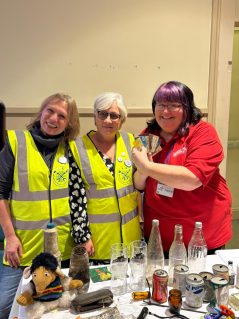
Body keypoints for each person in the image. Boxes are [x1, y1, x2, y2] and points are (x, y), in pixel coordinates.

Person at [0, 93, 94, 319]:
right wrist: (10, 236)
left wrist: (83, 236)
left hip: (60, 250)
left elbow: (79, 196)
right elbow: (0, 193)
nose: (53, 119)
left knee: (59, 309)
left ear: (69, 123)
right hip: (22, 249)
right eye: (49, 111)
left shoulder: (71, 150)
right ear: (41, 112)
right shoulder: (15, 141)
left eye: (62, 116)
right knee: (5, 308)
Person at [132, 81, 232, 256]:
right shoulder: (148, 134)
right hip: (159, 233)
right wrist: (142, 171)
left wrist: (147, 167)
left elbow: (192, 179)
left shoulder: (203, 132)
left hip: (201, 234)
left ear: (187, 108)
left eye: (174, 105)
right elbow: (139, 184)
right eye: (161, 105)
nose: (165, 111)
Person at [71, 92, 142, 263]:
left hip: (131, 241)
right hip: (98, 242)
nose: (108, 120)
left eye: (114, 115)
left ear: (121, 120)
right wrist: (83, 237)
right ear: (95, 117)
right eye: (102, 114)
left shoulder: (132, 142)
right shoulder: (76, 148)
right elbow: (75, 198)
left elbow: (138, 187)